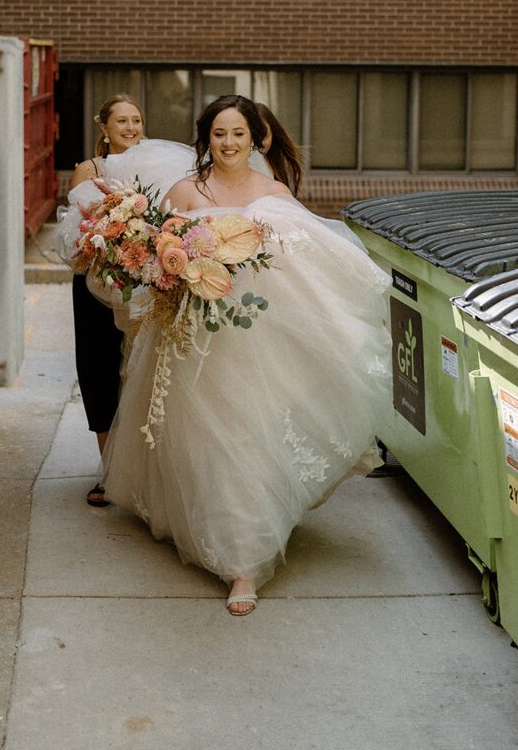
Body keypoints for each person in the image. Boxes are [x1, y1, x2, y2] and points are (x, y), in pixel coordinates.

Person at [99, 94, 391, 616]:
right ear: (205, 139)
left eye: (238, 134)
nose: (229, 143)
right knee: (202, 444)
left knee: (248, 442)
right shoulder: (186, 192)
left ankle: (243, 566)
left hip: (256, 341)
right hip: (194, 339)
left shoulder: (273, 192)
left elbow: (303, 265)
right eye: (218, 134)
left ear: (257, 138)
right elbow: (153, 269)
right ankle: (207, 527)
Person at [68, 94, 145, 506]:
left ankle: (141, 467)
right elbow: (72, 233)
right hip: (95, 283)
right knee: (99, 370)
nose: (130, 128)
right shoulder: (88, 170)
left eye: (136, 120)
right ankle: (109, 472)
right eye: (122, 121)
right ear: (104, 128)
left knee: (138, 371)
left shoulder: (156, 165)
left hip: (145, 285)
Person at [256, 101, 303, 196]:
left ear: (273, 133)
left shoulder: (281, 169)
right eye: (255, 136)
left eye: (265, 135)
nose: (261, 142)